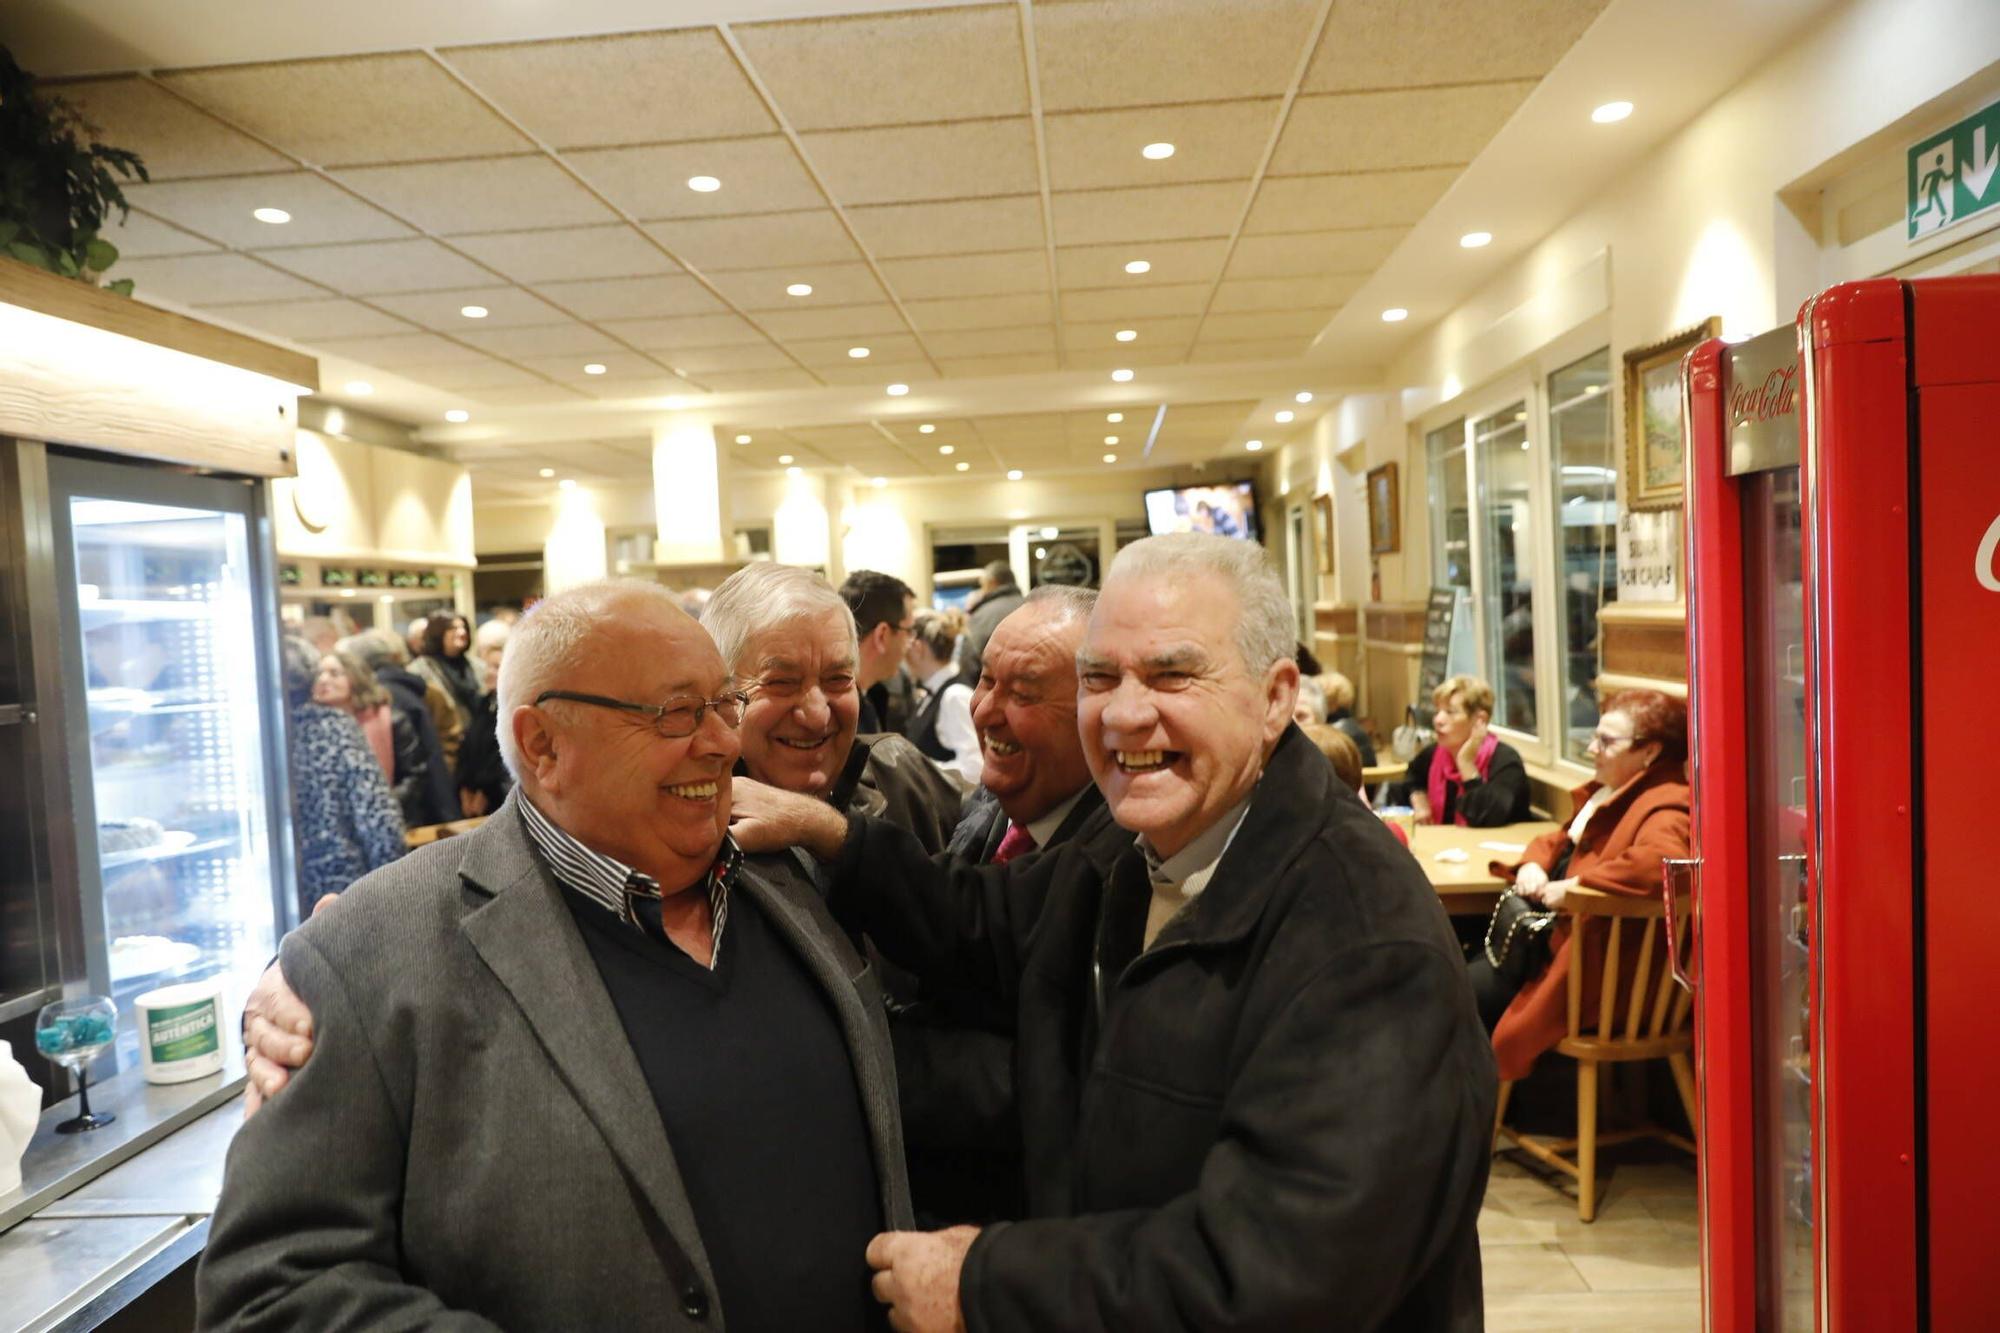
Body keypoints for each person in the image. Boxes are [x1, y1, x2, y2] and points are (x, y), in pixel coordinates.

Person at [732, 533, 1496, 1332]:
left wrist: (982, 1281)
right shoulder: (1136, 852)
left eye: (1173, 673)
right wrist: (831, 831)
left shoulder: (1363, 936)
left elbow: (1282, 1272)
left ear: (1276, 698)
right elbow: (980, 919)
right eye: (1100, 677)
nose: (1127, 712)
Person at [200, 581, 912, 1330]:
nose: (724, 742)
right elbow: (269, 1291)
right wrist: (330, 964)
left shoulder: (786, 877)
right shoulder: (374, 956)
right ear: (542, 742)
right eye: (677, 712)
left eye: (723, 705)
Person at [1468, 690, 1692, 1076]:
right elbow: (1557, 840)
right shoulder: (1619, 791)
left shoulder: (1666, 804)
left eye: (1606, 741)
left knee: (1445, 994)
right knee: (1449, 978)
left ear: (1650, 752)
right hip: (1553, 951)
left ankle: (1462, 1114)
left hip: (1592, 980)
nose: (1591, 749)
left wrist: (1577, 886)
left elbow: (1663, 863)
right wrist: (1532, 866)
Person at [709, 563, 961, 856]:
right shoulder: (694, 840)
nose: (817, 716)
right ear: (723, 697)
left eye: (838, 679)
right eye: (782, 683)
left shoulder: (897, 773)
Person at [278, 636, 404, 915]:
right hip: (339, 891)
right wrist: (392, 895)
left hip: (274, 891)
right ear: (311, 678)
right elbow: (378, 818)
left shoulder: (259, 738)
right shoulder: (335, 728)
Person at [337, 628, 459, 826]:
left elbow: (416, 771)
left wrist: (382, 802)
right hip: (431, 801)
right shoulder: (414, 690)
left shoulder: (385, 703)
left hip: (410, 815)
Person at [1390, 674, 1531, 827]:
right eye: (1438, 711)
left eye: (1450, 712)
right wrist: (1418, 798)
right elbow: (1412, 777)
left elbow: (1487, 817)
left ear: (1480, 720)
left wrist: (1466, 763)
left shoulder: (1506, 762)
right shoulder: (1434, 753)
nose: (1438, 720)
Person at [311, 648, 430, 825]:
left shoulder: (392, 720)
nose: (323, 679)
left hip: (390, 819)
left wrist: (379, 806)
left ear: (355, 678)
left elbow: (414, 776)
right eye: (319, 674)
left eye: (334, 673)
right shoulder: (311, 729)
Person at [904, 607, 980, 785]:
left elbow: (974, 769)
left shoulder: (955, 696)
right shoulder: (933, 691)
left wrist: (919, 768)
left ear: (918, 647)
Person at [838, 569, 918, 735]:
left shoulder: (864, 697)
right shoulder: (842, 712)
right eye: (908, 631)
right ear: (882, 635)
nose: (910, 643)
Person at [954, 559, 1022, 683]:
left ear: (992, 583)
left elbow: (970, 663)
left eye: (982, 585)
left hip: (995, 692)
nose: (981, 591)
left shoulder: (982, 616)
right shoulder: (1030, 607)